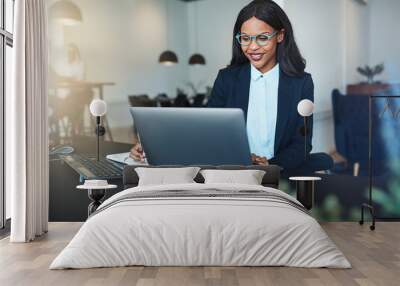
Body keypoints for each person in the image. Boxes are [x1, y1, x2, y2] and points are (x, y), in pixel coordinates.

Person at [131, 0, 313, 171]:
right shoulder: (227, 79)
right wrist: (154, 145)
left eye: (262, 38)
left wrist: (271, 165)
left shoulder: (301, 83)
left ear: (280, 36)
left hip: (279, 176)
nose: (252, 47)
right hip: (232, 173)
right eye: (245, 38)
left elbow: (302, 143)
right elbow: (206, 131)